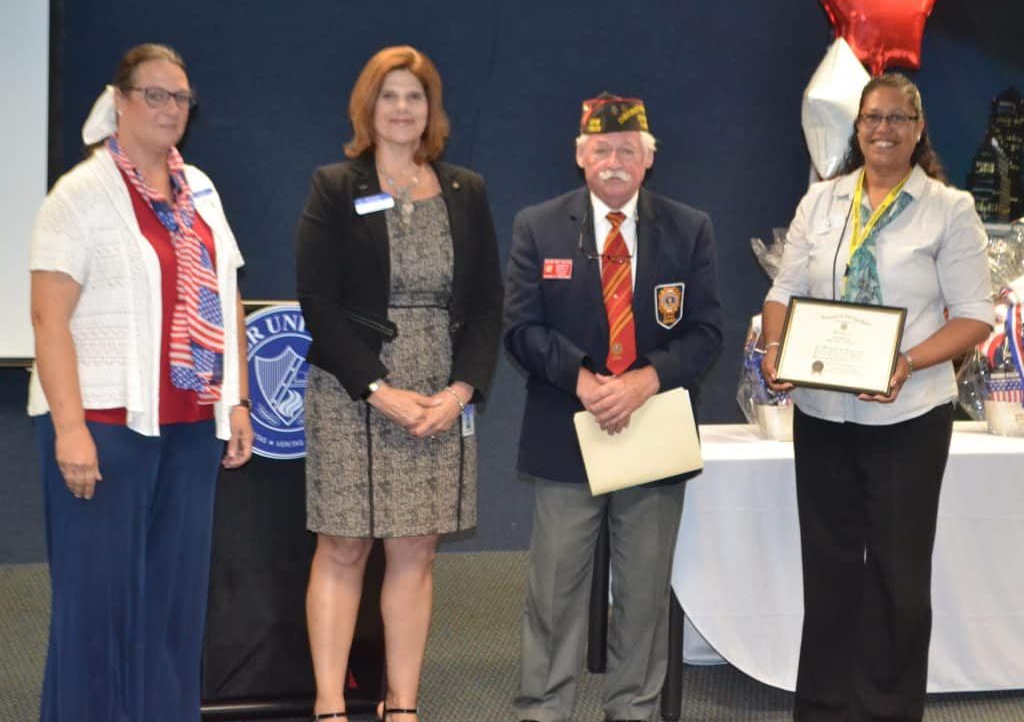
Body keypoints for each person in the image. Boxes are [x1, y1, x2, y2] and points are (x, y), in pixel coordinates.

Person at [29, 43, 253, 722]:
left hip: (189, 430)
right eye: (153, 94)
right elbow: (47, 319)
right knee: (96, 607)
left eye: (180, 97)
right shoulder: (81, 194)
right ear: (119, 101)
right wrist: (70, 430)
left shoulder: (202, 190)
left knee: (172, 609)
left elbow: (229, 291)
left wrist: (235, 400)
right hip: (102, 429)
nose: (169, 109)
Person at [761, 73, 993, 722]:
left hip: (910, 414)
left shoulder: (948, 209)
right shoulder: (823, 202)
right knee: (829, 565)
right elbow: (782, 291)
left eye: (896, 118)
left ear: (918, 129)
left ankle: (888, 711)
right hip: (824, 413)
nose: (882, 129)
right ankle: (826, 706)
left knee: (898, 572)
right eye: (871, 118)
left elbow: (974, 316)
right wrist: (777, 350)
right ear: (856, 128)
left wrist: (907, 361)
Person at [296, 45, 503, 722]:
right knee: (344, 545)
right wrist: (378, 389)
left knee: (414, 550)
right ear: (369, 106)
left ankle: (402, 705)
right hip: (352, 391)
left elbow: (488, 303)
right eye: (390, 96)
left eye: (415, 97)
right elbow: (317, 305)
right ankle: (330, 707)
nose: (403, 109)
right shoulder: (335, 186)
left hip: (439, 397)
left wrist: (461, 390)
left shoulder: (465, 191)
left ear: (431, 111)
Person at [504, 92, 723, 722]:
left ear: (650, 158)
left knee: (644, 594)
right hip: (567, 431)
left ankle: (633, 709)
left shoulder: (689, 228)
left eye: (628, 149)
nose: (614, 160)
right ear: (580, 156)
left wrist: (645, 381)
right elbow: (520, 327)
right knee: (554, 592)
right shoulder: (537, 226)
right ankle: (543, 709)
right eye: (601, 148)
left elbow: (706, 332)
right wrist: (581, 380)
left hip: (653, 432)